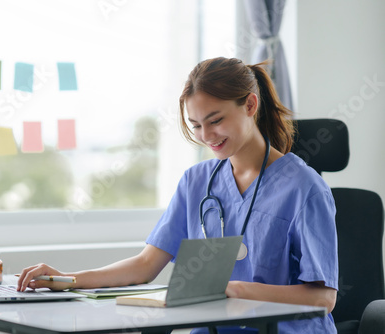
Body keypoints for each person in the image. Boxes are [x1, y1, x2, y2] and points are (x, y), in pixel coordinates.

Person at [17, 57, 338, 333]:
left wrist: (234, 290)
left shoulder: (303, 188)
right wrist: (66, 280)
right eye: (196, 125)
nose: (206, 136)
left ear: (250, 105)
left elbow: (323, 299)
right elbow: (145, 265)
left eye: (216, 120)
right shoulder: (196, 181)